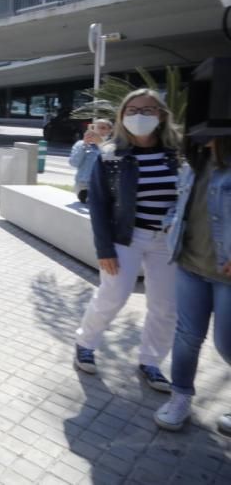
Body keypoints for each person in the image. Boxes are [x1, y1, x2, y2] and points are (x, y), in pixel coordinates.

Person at [74, 89, 181, 391]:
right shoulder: (110, 156)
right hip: (126, 237)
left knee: (165, 306)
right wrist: (104, 248)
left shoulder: (180, 154)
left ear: (161, 115)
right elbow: (97, 205)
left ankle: (151, 362)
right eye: (131, 110)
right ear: (121, 117)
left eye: (148, 110)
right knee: (113, 295)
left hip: (167, 242)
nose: (139, 116)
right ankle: (85, 342)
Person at [154, 135, 231, 434]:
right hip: (190, 265)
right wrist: (170, 222)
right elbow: (178, 203)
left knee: (226, 344)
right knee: (187, 337)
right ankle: (180, 398)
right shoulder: (193, 164)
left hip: (226, 276)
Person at [69, 118, 113, 203]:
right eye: (96, 128)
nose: (99, 131)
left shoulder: (112, 146)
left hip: (103, 185)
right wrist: (85, 145)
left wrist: (100, 144)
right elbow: (73, 163)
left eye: (103, 128)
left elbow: (110, 162)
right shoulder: (80, 144)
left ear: (110, 131)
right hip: (83, 185)